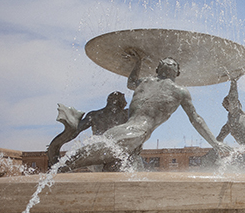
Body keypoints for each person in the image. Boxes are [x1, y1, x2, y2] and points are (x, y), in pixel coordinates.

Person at [63, 50, 229, 170]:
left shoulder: (180, 91)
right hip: (129, 132)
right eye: (164, 62)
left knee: (100, 160)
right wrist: (138, 62)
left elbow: (196, 119)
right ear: (157, 69)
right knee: (89, 160)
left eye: (173, 63)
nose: (168, 62)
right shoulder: (146, 82)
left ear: (177, 72)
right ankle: (58, 168)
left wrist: (214, 143)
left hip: (138, 133)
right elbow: (131, 82)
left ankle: (58, 169)